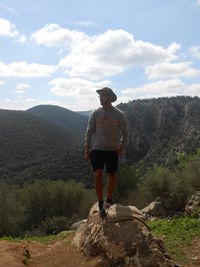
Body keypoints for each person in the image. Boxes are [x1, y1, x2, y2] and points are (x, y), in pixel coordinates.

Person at [84, 87, 128, 218]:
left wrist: (120, 148)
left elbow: (125, 134)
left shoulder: (119, 115)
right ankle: (100, 202)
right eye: (100, 96)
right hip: (97, 149)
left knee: (112, 175)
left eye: (103, 96)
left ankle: (109, 198)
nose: (100, 98)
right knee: (97, 174)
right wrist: (86, 149)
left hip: (112, 150)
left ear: (109, 97)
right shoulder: (95, 113)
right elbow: (89, 131)